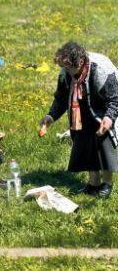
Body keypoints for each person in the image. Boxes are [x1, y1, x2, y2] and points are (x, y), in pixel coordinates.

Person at [39, 41, 118, 198]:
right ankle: (93, 183)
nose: (65, 70)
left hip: (104, 107)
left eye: (68, 66)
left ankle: (107, 184)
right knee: (86, 142)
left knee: (103, 144)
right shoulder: (66, 73)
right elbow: (61, 98)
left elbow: (114, 99)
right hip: (81, 108)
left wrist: (108, 118)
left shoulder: (101, 69)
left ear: (80, 62)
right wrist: (50, 116)